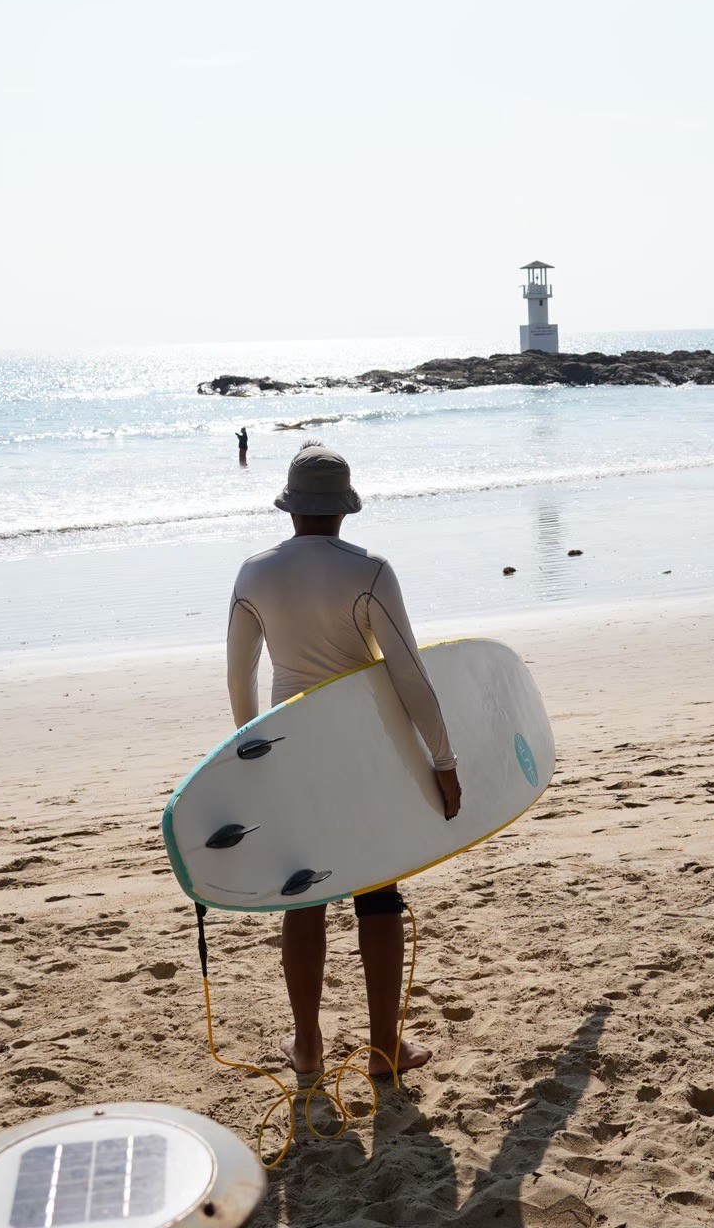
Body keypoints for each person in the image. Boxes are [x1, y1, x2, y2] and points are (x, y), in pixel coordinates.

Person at [225, 443, 461, 1078]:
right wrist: (443, 758)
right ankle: (386, 1048)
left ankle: (307, 1046)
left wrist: (248, 753)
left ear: (291, 506)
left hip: (289, 752)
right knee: (378, 893)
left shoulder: (253, 574)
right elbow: (409, 675)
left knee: (303, 895)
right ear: (343, 508)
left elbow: (240, 678)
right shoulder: (371, 571)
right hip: (364, 753)